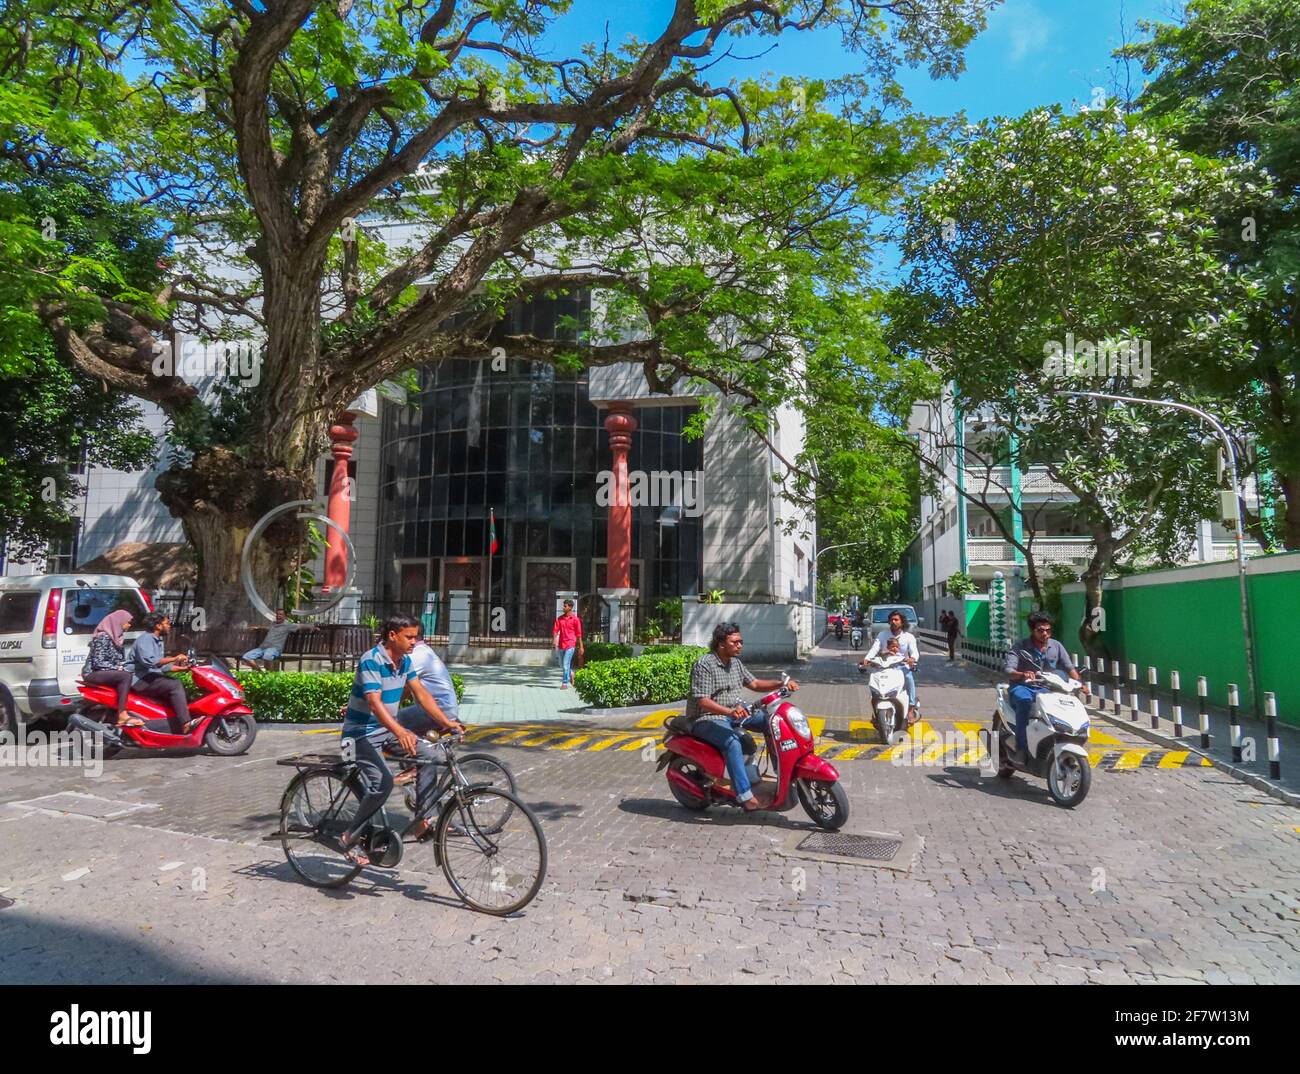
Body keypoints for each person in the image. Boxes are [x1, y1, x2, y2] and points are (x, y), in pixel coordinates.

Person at [338, 615, 465, 866]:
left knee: (430, 755)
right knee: (382, 784)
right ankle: (349, 837)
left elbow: (422, 694)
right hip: (360, 735)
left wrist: (447, 722)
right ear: (392, 635)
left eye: (416, 636)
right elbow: (374, 703)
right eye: (409, 636)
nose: (414, 641)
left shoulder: (404, 661)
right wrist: (401, 732)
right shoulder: (371, 660)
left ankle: (422, 821)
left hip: (385, 733)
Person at [684, 622, 800, 813]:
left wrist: (780, 685)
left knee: (771, 722)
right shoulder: (704, 665)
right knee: (732, 742)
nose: (740, 645)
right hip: (705, 718)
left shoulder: (735, 663)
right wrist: (730, 712)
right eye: (735, 642)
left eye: (741, 641)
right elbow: (703, 701)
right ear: (721, 644)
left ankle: (782, 772)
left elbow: (754, 683)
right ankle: (745, 796)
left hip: (734, 714)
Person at [1004, 611, 1090, 764]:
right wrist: (1023, 674)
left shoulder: (1056, 646)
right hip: (1023, 687)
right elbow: (1009, 671)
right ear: (1032, 630)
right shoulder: (1020, 647)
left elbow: (1069, 667)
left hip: (1048, 689)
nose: (1045, 633)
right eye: (1041, 630)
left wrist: (1080, 683)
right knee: (1024, 702)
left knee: (1065, 704)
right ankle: (1021, 748)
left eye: (1048, 630)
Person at [391, 624, 461, 788]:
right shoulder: (425, 652)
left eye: (411, 637)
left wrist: (388, 709)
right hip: (447, 708)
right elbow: (408, 689)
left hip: (439, 709)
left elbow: (407, 687)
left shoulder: (416, 655)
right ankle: (417, 769)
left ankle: (414, 768)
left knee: (395, 721)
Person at [131, 612, 194, 734]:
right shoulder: (146, 639)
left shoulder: (156, 641)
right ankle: (185, 723)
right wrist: (175, 658)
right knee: (174, 685)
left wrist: (184, 669)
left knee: (180, 686)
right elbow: (152, 662)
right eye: (167, 623)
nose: (169, 626)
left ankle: (172, 724)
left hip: (149, 677)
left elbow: (162, 667)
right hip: (139, 679)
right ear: (158, 626)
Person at [860, 610, 920, 724]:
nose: (893, 622)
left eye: (896, 620)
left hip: (902, 667)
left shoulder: (909, 637)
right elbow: (874, 649)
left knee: (909, 678)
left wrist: (912, 659)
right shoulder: (882, 634)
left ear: (902, 622)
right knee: (874, 684)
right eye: (891, 620)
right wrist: (867, 659)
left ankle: (911, 708)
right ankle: (875, 712)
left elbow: (914, 652)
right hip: (884, 667)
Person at [82, 609, 138, 727]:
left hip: (106, 672)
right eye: (127, 622)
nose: (129, 625)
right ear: (119, 621)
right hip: (93, 673)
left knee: (130, 674)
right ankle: (122, 714)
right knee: (125, 676)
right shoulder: (103, 637)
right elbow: (98, 662)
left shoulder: (117, 638)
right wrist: (117, 668)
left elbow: (119, 660)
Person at [241, 610, 313, 670]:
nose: (278, 616)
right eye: (277, 614)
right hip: (262, 648)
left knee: (267, 656)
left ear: (285, 616)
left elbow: (301, 626)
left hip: (274, 649)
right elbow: (266, 627)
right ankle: (261, 673)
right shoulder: (273, 625)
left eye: (281, 614)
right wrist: (257, 628)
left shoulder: (288, 625)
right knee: (246, 657)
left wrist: (312, 627)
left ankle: (270, 675)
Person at [552, 599, 584, 688]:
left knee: (566, 664)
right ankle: (572, 674)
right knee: (563, 665)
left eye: (565, 606)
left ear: (570, 607)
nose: (563, 607)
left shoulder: (575, 620)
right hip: (561, 644)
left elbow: (579, 634)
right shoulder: (560, 619)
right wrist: (555, 640)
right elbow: (555, 630)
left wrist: (581, 647)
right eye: (563, 605)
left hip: (570, 644)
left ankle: (564, 683)